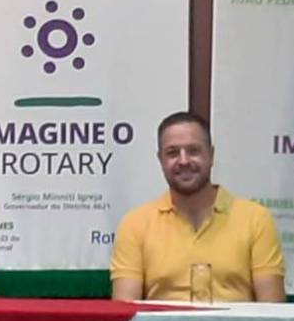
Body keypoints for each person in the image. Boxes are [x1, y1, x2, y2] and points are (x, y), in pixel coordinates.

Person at [110, 111, 285, 302]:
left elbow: (272, 310)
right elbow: (125, 311)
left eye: (193, 150)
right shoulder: (135, 224)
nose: (184, 161)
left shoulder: (256, 219)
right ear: (160, 160)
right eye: (172, 153)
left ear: (211, 155)